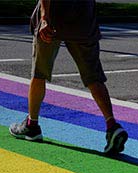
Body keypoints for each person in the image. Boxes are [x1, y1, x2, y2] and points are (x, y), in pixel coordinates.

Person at [9, 0, 128, 155]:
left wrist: (44, 17)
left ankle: (32, 125)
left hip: (54, 17)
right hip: (84, 18)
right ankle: (112, 125)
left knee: (39, 73)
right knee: (94, 77)